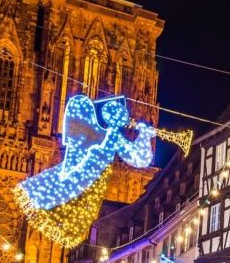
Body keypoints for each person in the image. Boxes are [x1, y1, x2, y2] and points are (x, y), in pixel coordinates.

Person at [13, 96, 156, 248]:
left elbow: (140, 159)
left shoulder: (112, 136)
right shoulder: (106, 135)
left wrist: (144, 136)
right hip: (88, 174)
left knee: (68, 204)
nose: (124, 119)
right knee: (66, 200)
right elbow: (139, 158)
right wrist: (144, 136)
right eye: (121, 115)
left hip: (92, 178)